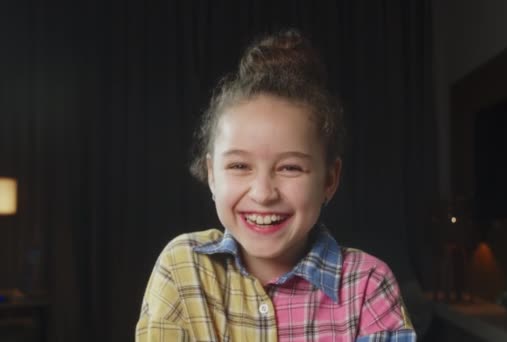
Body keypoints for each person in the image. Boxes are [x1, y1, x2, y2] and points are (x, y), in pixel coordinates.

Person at [136, 29, 416, 341]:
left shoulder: (367, 285)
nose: (263, 193)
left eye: (290, 167)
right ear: (211, 174)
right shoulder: (182, 268)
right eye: (239, 166)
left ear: (329, 179)